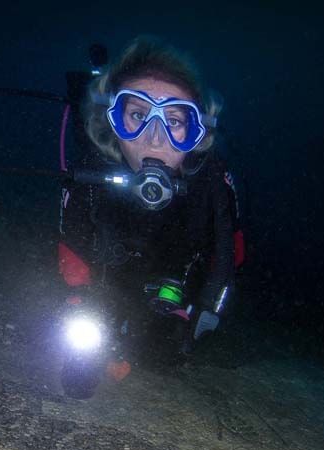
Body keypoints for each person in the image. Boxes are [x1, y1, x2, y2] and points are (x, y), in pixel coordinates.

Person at [58, 37, 244, 377]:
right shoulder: (91, 170)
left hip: (174, 282)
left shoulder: (211, 180)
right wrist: (80, 301)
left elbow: (230, 257)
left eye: (174, 121)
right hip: (109, 277)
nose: (155, 138)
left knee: (161, 358)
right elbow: (72, 242)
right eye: (138, 114)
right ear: (112, 120)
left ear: (197, 132)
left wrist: (201, 315)